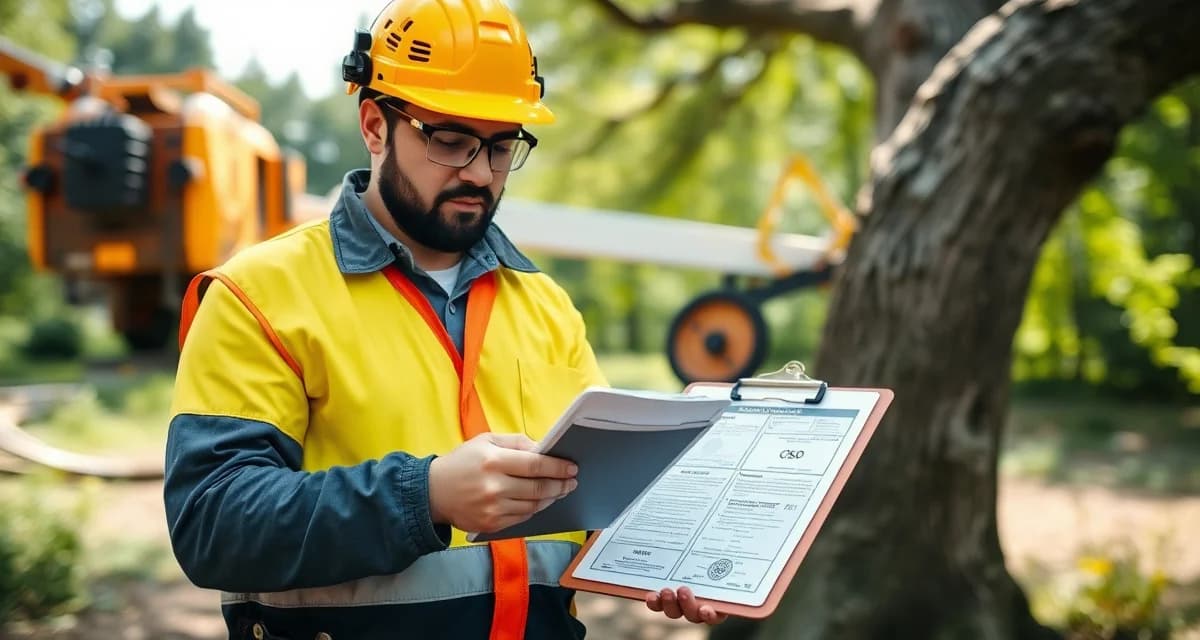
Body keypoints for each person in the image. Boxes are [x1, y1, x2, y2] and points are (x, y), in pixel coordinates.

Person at [163, 1, 726, 638]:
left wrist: (671, 557)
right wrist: (424, 495)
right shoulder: (258, 294)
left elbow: (597, 496)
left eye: (502, 145)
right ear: (374, 126)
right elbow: (212, 524)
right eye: (451, 141)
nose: (480, 173)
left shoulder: (547, 307)